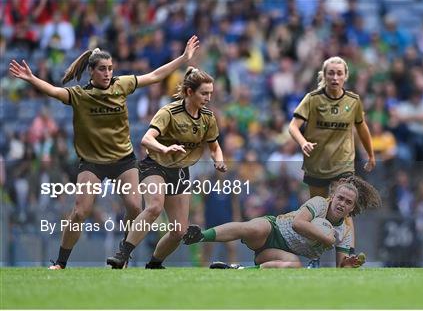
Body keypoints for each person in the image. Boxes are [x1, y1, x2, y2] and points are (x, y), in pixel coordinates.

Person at [9, 35, 200, 270]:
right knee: (80, 212)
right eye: (102, 69)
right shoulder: (80, 95)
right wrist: (31, 78)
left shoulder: (122, 85)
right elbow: (54, 91)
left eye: (110, 68)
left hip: (123, 160)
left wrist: (183, 58)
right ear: (91, 71)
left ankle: (123, 255)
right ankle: (60, 262)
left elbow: (154, 75)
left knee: (134, 207)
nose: (108, 73)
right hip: (92, 162)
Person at [106, 67, 227, 269]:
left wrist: (219, 160)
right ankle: (122, 255)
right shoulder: (169, 112)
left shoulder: (208, 117)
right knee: (154, 207)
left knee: (179, 230)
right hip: (154, 166)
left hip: (179, 171)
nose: (208, 97)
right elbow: (146, 140)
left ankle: (154, 264)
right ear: (190, 92)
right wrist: (165, 148)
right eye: (204, 93)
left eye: (210, 94)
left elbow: (214, 146)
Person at [183, 176, 381, 269]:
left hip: (283, 252)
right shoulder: (320, 203)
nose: (342, 203)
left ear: (352, 208)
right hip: (275, 229)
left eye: (348, 202)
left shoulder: (345, 230)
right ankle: (201, 235)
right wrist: (326, 237)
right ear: (333, 196)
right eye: (340, 198)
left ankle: (235, 270)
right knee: (251, 228)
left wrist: (349, 263)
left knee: (293, 265)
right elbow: (298, 224)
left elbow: (340, 267)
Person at [288, 56, 375, 266]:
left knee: (345, 208)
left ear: (345, 76)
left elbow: (362, 128)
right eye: (331, 73)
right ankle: (314, 258)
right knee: (318, 212)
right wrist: (302, 143)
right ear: (324, 76)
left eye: (339, 73)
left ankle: (347, 258)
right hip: (316, 165)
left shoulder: (353, 101)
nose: (335, 77)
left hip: (343, 164)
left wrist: (371, 154)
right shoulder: (312, 99)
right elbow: (293, 126)